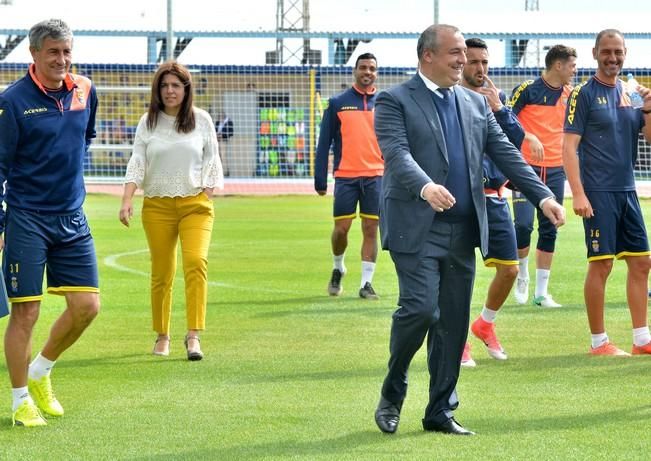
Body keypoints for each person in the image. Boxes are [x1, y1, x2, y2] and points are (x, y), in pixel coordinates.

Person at [373, 24, 565, 436]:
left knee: (453, 322)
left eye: (465, 52)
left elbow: (508, 156)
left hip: (462, 228)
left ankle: (440, 411)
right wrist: (425, 186)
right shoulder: (394, 100)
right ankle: (394, 388)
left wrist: (543, 197)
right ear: (427, 56)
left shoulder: (475, 105)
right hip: (415, 226)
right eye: (455, 52)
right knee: (422, 309)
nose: (464, 60)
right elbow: (396, 154)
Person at [0, 19, 100, 427]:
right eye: (53, 52)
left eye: (67, 51)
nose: (62, 59)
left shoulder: (86, 90)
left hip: (72, 216)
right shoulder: (12, 101)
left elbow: (84, 136)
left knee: (87, 306)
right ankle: (20, 399)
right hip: (26, 219)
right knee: (27, 314)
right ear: (35, 54)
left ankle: (41, 370)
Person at [119, 61, 223, 361]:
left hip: (195, 206)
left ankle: (193, 336)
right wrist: (127, 199)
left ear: (186, 89)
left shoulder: (201, 120)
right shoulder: (147, 123)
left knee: (196, 262)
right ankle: (162, 335)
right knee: (162, 272)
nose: (170, 91)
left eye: (176, 85)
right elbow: (137, 161)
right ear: (158, 90)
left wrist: (206, 192)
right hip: (157, 206)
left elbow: (211, 160)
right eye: (164, 86)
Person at [562, 28, 651, 356]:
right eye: (607, 52)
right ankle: (599, 342)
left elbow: (650, 139)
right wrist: (579, 194)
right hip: (597, 192)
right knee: (601, 264)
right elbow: (568, 148)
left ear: (625, 53)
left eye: (618, 52)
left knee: (642, 263)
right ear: (595, 53)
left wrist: (649, 109)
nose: (613, 58)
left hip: (627, 191)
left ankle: (642, 340)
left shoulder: (633, 93)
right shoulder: (582, 94)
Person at [459, 38, 526, 367]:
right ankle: (458, 341)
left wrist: (500, 110)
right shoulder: (450, 99)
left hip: (495, 198)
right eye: (473, 61)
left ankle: (485, 323)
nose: (480, 69)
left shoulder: (496, 100)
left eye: (484, 62)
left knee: (510, 270)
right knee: (457, 275)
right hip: (460, 200)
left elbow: (516, 144)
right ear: (460, 63)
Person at [509, 45, 577, 308]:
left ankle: (541, 293)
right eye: (572, 65)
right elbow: (505, 119)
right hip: (525, 169)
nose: (575, 70)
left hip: (556, 170)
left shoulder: (572, 94)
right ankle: (522, 275)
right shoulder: (526, 89)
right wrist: (528, 135)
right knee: (523, 226)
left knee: (550, 227)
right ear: (558, 65)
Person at [314, 52, 384, 300]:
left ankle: (366, 283)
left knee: (370, 228)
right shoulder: (338, 103)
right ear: (355, 71)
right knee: (341, 229)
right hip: (346, 177)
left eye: (372, 68)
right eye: (363, 67)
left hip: (376, 177)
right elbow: (324, 144)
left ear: (376, 73)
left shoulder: (385, 104)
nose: (367, 72)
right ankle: (338, 266)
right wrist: (320, 180)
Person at [216, 111, 234, 176]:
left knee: (223, 157)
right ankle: (218, 172)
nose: (219, 118)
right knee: (217, 157)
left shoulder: (229, 122)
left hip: (224, 141)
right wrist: (217, 135)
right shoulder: (218, 122)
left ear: (223, 116)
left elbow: (231, 133)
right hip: (217, 141)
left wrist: (222, 135)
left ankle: (225, 172)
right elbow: (215, 130)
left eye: (220, 116)